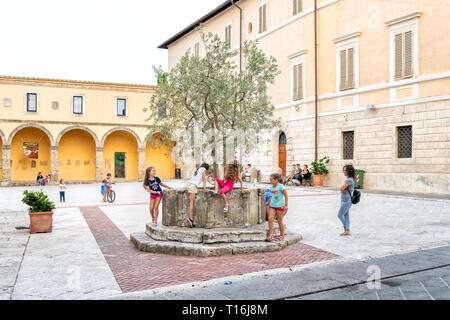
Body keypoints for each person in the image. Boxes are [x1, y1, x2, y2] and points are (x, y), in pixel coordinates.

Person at [185, 163, 210, 228]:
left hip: (189, 184)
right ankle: (190, 219)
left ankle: (191, 219)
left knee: (191, 202)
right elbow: (204, 179)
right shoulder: (203, 169)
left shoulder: (198, 169)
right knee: (191, 203)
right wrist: (205, 188)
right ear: (206, 168)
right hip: (192, 186)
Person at [266, 173, 288, 242]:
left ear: (276, 180)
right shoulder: (272, 187)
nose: (270, 181)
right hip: (273, 205)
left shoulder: (281, 187)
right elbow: (273, 195)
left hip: (280, 206)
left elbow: (286, 195)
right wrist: (268, 202)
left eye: (271, 179)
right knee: (270, 218)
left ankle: (282, 236)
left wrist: (286, 205)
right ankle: (271, 235)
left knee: (279, 220)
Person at [338, 164, 355, 236]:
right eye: (343, 170)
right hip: (346, 200)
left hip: (346, 201)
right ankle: (347, 230)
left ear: (349, 171)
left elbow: (341, 188)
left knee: (339, 215)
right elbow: (343, 189)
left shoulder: (348, 180)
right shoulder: (351, 179)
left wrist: (342, 190)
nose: (344, 172)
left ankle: (346, 229)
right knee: (346, 215)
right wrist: (343, 190)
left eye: (345, 170)